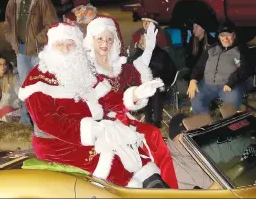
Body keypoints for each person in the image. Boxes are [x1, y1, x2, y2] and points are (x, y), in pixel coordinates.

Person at [18, 22, 176, 189]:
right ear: (51, 47)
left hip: (95, 132)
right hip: (59, 144)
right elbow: (48, 122)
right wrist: (94, 130)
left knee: (136, 155)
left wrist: (136, 94)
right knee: (116, 165)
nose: (65, 49)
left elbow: (106, 99)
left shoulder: (81, 70)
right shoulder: (38, 79)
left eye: (69, 44)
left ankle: (156, 186)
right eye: (59, 44)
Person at [83, 16, 178, 188]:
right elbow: (105, 101)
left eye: (109, 39)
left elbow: (135, 70)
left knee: (154, 135)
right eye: (100, 39)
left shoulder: (115, 64)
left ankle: (165, 187)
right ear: (91, 40)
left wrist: (148, 50)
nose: (105, 44)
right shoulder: (87, 68)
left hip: (121, 118)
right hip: (101, 124)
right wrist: (134, 96)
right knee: (146, 139)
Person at [4, 0, 58, 126]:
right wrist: (12, 40)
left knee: (42, 85)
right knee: (24, 86)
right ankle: (26, 120)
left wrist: (36, 40)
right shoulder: (13, 1)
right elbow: (7, 24)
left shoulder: (42, 1)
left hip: (39, 52)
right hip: (21, 52)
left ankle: (45, 120)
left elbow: (52, 24)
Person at [187, 22, 250, 115]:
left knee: (231, 107)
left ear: (234, 35)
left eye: (228, 35)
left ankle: (229, 125)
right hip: (207, 84)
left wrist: (231, 83)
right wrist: (193, 80)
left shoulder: (241, 49)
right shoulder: (211, 49)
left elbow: (245, 69)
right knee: (195, 97)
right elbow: (199, 67)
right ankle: (206, 125)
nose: (225, 38)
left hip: (229, 85)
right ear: (219, 36)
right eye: (222, 35)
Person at [129, 33, 177, 128]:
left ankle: (156, 120)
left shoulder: (162, 54)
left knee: (154, 89)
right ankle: (148, 120)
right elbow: (132, 64)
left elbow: (169, 70)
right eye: (141, 40)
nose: (142, 42)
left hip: (161, 84)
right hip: (142, 84)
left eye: (144, 40)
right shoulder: (139, 53)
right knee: (146, 88)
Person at [0, 56, 21, 122]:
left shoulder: (14, 77)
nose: (3, 66)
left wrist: (12, 105)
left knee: (6, 112)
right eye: (0, 64)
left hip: (13, 108)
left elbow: (21, 96)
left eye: (5, 64)